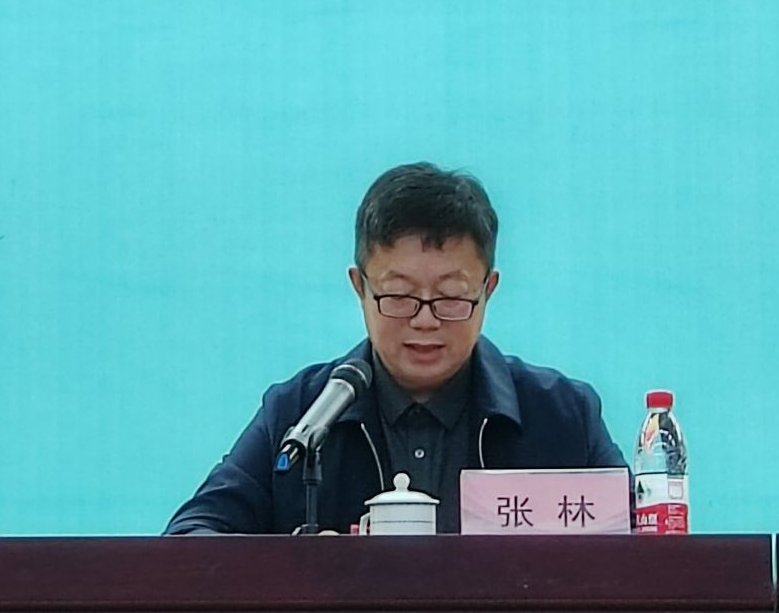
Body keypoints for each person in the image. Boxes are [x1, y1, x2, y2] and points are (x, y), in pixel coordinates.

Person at [165, 164, 624, 535]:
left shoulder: (563, 416)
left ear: (488, 290)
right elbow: (192, 538)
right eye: (399, 295)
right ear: (359, 288)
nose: (424, 320)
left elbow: (643, 550)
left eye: (450, 296)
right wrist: (303, 570)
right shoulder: (301, 414)